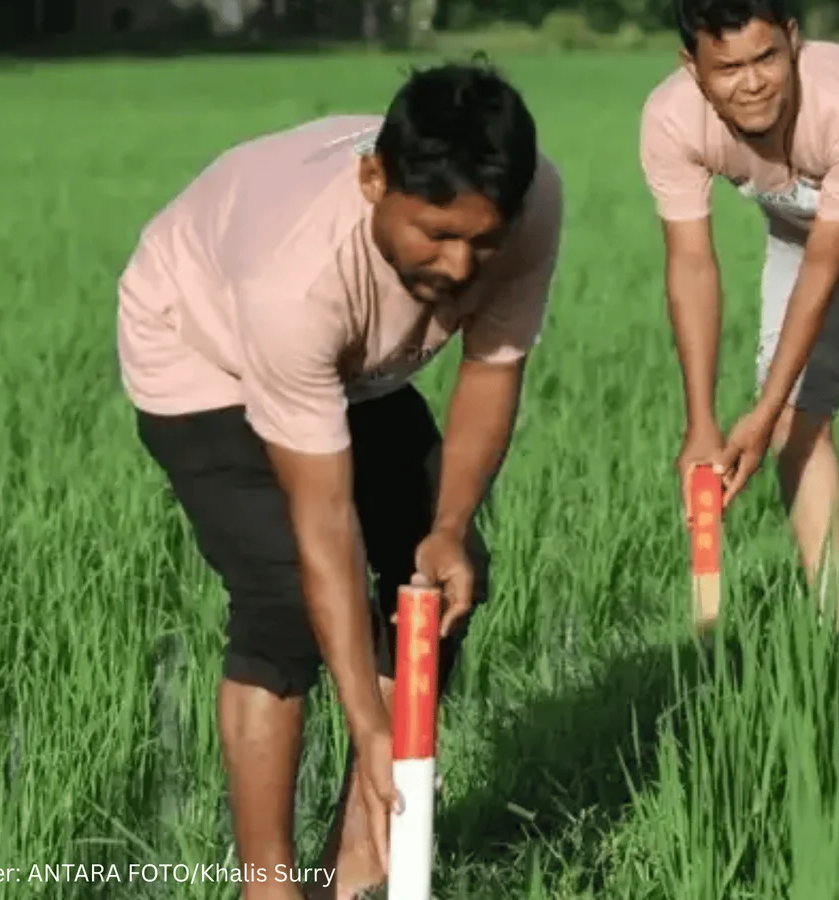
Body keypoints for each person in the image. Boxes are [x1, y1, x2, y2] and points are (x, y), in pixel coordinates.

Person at [116, 62, 561, 899]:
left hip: (356, 370)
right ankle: (271, 885)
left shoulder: (529, 206)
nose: (463, 266)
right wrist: (368, 725)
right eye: (436, 234)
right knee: (284, 602)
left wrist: (449, 525)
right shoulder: (295, 280)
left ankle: (359, 865)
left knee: (439, 581)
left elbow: (493, 370)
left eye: (483, 239)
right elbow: (323, 526)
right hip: (200, 353)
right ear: (373, 180)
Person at [638, 0, 839, 627]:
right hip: (803, 224)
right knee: (797, 416)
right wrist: (703, 422)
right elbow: (691, 266)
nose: (753, 82)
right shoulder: (671, 120)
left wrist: (760, 415)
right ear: (692, 68)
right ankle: (835, 617)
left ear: (792, 40)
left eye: (766, 57)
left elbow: (826, 271)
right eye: (728, 68)